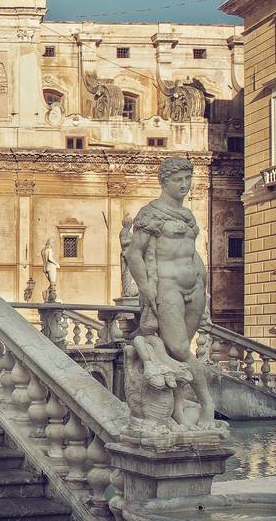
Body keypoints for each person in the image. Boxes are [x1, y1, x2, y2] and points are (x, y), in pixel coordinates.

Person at [125, 157, 215, 428]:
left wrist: (206, 288)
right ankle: (207, 403)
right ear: (163, 181)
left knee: (177, 352)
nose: (185, 185)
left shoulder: (188, 215)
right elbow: (134, 254)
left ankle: (176, 407)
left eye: (188, 179)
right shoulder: (151, 213)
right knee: (178, 347)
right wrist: (145, 287)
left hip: (195, 287)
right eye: (178, 180)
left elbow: (193, 254)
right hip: (168, 287)